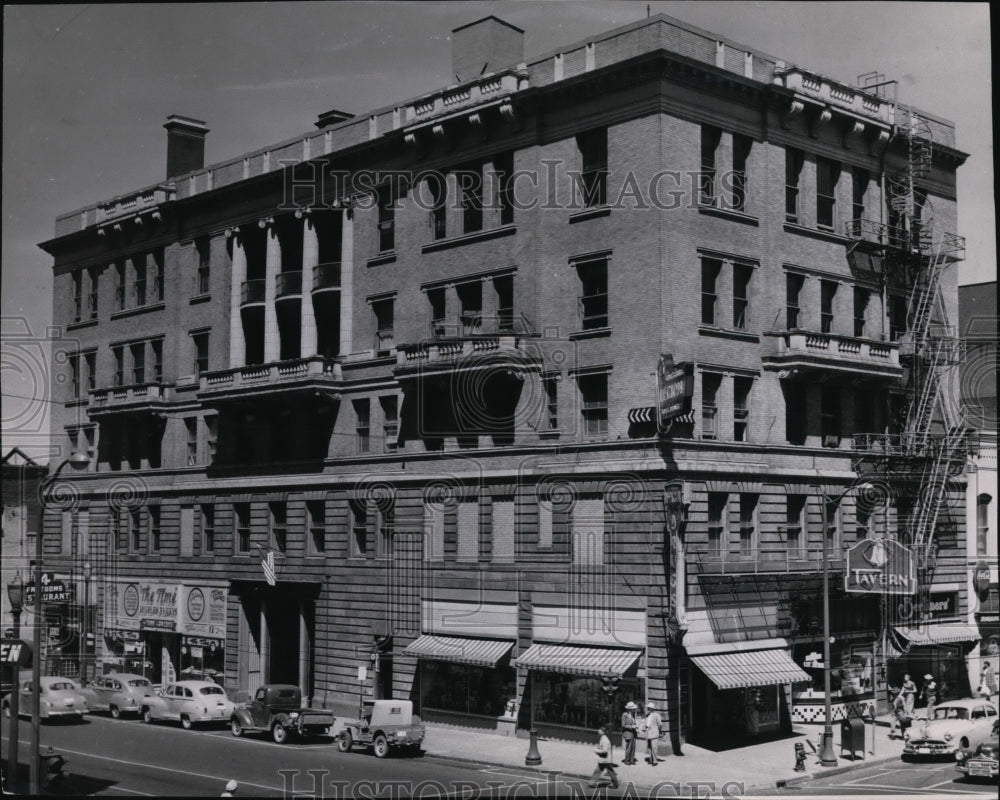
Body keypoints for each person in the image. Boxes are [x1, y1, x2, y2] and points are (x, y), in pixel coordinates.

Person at [644, 701, 663, 766]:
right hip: (648, 733)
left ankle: (655, 761)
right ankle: (651, 760)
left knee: (654, 747)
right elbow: (646, 723)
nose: (648, 709)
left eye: (649, 708)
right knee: (649, 747)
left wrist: (659, 730)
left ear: (652, 709)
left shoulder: (656, 715)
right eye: (648, 708)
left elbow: (660, 724)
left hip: (654, 733)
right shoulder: (647, 715)